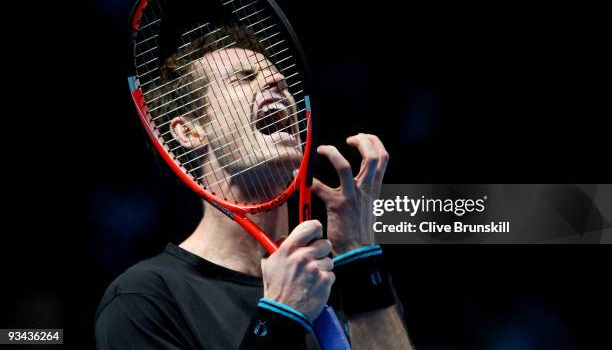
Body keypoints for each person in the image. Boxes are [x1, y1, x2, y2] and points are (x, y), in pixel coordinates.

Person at [95, 26, 413, 349]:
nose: (276, 82)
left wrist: (359, 254)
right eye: (245, 78)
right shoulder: (144, 300)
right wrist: (280, 317)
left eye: (279, 78)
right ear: (189, 132)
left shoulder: (341, 277)